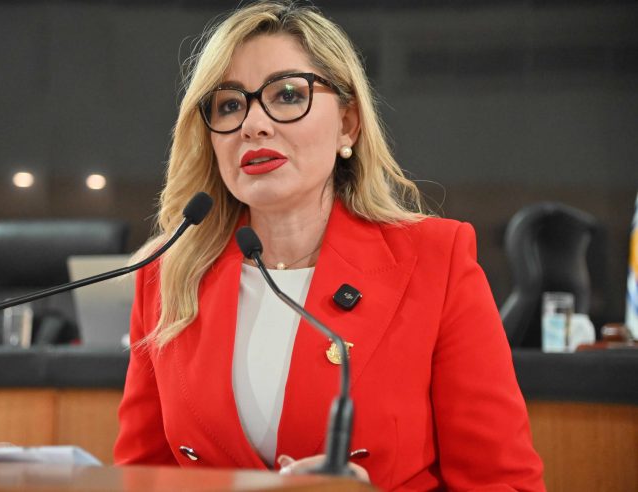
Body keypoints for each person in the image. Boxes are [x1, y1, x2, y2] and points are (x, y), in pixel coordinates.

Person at [114, 1, 545, 490]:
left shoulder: (435, 260)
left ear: (348, 123)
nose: (253, 124)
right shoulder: (167, 276)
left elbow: (504, 484)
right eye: (229, 105)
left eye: (287, 95)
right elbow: (139, 479)